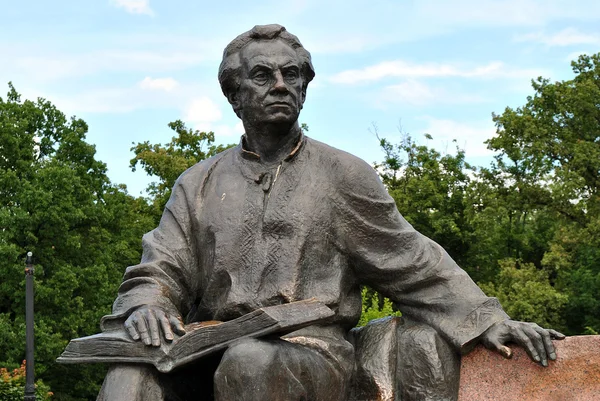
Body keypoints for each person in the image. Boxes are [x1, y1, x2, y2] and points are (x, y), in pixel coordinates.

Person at [97, 24, 564, 401]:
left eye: (292, 75)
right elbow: (162, 266)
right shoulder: (197, 184)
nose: (281, 86)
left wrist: (486, 319)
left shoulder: (342, 174)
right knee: (130, 376)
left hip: (311, 353)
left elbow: (411, 259)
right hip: (207, 348)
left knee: (251, 360)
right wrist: (148, 304)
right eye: (263, 76)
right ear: (235, 95)